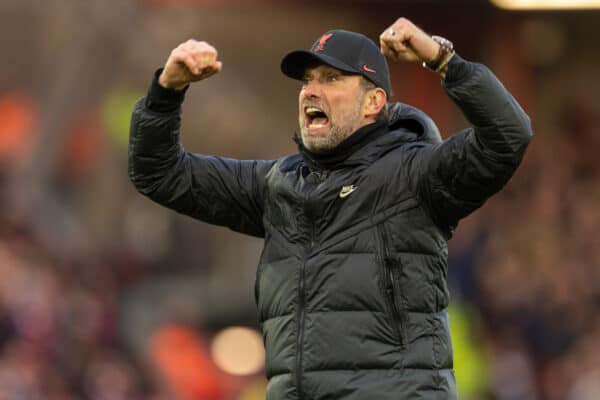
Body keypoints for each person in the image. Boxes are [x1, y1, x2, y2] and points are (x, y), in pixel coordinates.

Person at [129, 17, 532, 400]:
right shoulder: (277, 186)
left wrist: (443, 60)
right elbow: (160, 173)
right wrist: (166, 92)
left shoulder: (416, 175)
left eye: (332, 78)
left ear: (374, 101)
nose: (310, 90)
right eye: (307, 81)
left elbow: (507, 135)